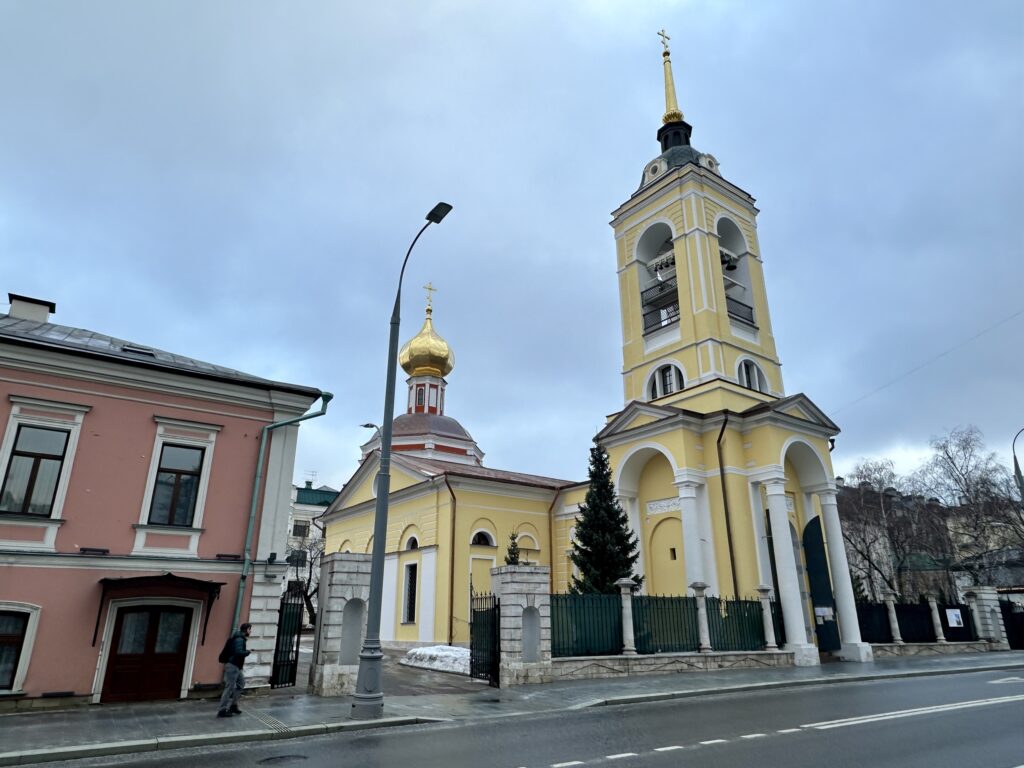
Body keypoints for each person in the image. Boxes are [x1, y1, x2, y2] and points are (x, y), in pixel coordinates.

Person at [217, 622, 252, 718]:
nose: (250, 631)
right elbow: (238, 652)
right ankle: (222, 711)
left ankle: (233, 706)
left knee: (241, 684)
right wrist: (247, 652)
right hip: (233, 666)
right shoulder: (240, 639)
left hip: (236, 666)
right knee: (229, 688)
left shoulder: (239, 638)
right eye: (249, 629)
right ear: (246, 630)